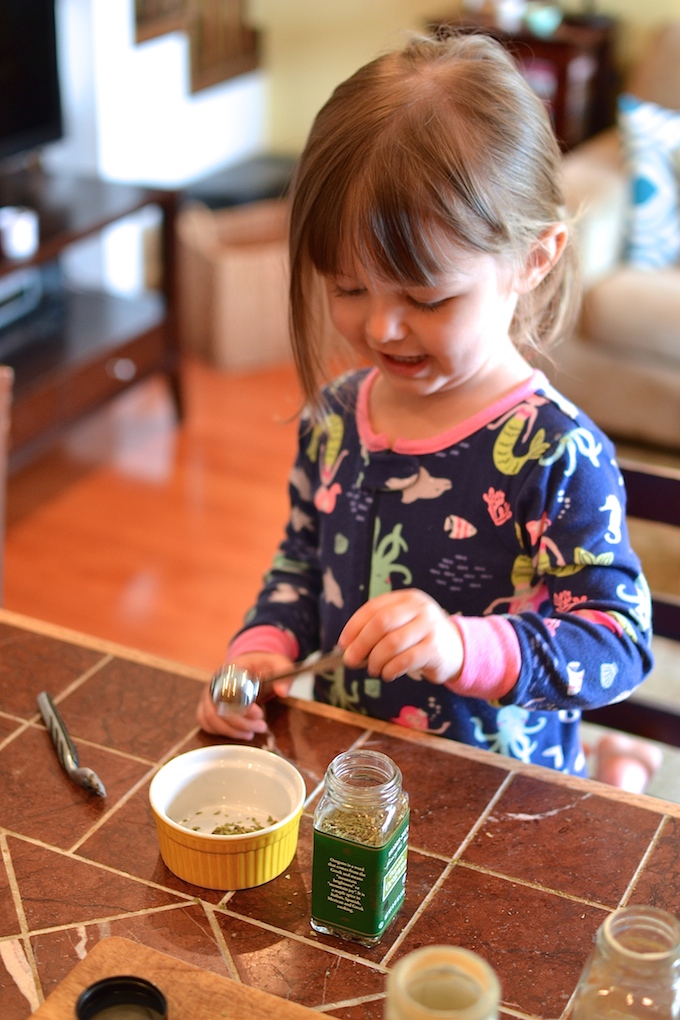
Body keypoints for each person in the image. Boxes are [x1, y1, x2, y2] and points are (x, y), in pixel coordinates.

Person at [197, 30, 655, 782]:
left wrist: (463, 647)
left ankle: (617, 764)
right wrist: (257, 655)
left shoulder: (555, 452)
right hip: (354, 769)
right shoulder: (336, 417)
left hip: (499, 797)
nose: (381, 327)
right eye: (348, 288)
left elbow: (619, 644)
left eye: (427, 297)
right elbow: (302, 566)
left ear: (532, 260)